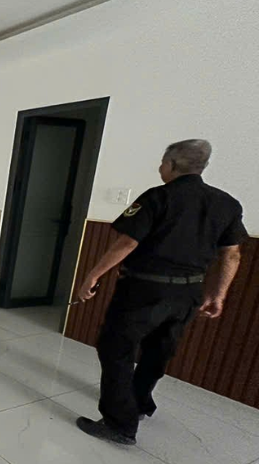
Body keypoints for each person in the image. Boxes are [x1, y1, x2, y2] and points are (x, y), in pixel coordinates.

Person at [74, 139, 247, 445]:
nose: (160, 167)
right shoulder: (227, 204)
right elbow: (231, 255)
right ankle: (140, 402)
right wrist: (219, 294)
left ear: (171, 165)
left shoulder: (158, 197)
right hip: (189, 293)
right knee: (159, 350)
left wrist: (93, 274)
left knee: (116, 349)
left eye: (163, 162)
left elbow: (128, 243)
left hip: (143, 290)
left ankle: (119, 424)